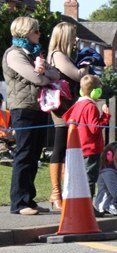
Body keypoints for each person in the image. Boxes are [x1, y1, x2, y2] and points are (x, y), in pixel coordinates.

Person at [3, 16, 60, 215]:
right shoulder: (14, 54)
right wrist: (44, 75)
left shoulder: (34, 53)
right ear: (24, 32)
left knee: (35, 154)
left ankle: (29, 199)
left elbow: (57, 73)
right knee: (24, 154)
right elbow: (36, 77)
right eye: (35, 31)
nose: (39, 34)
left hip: (38, 108)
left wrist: (45, 72)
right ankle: (18, 203)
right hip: (23, 109)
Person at [47, 22, 88, 211]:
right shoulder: (58, 55)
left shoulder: (63, 56)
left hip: (68, 105)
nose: (75, 40)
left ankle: (63, 191)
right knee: (61, 145)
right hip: (62, 106)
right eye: (72, 36)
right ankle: (56, 193)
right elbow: (79, 76)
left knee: (67, 147)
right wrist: (86, 66)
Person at [62, 74, 111, 198]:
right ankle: (88, 207)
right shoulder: (90, 106)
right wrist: (105, 116)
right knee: (90, 178)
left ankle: (79, 204)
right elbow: (94, 128)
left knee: (79, 178)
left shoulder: (77, 105)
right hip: (91, 149)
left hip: (79, 148)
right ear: (96, 91)